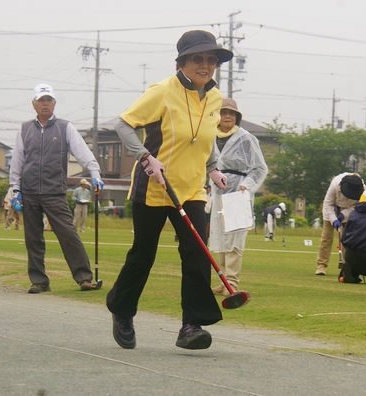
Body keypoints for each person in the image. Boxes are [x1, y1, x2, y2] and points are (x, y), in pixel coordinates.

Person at [106, 30, 233, 350]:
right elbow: (123, 124)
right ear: (182, 62)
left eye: (211, 59)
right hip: (153, 186)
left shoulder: (215, 98)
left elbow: (206, 139)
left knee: (196, 253)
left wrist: (214, 167)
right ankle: (121, 310)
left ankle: (191, 325)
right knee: (143, 256)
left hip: (191, 189)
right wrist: (145, 157)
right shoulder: (162, 91)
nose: (205, 65)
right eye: (198, 58)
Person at [9, 83, 104, 294]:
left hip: (54, 192)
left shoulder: (64, 127)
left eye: (49, 100)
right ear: (34, 104)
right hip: (30, 191)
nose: (45, 104)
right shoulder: (25, 129)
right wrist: (15, 189)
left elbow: (83, 154)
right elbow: (17, 161)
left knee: (68, 234)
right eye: (41, 100)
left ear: (54, 103)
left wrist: (95, 174)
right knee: (33, 239)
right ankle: (39, 280)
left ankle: (84, 277)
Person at [209, 98, 268, 296]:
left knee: (234, 238)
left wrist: (248, 185)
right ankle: (223, 280)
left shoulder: (246, 138)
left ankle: (232, 282)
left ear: (236, 117)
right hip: (218, 191)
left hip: (239, 191)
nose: (227, 116)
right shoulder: (211, 137)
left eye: (231, 113)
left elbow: (260, 167)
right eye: (224, 112)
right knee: (220, 237)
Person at [315, 173, 365, 275]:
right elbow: (328, 204)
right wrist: (334, 219)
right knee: (326, 238)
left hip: (349, 212)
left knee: (348, 239)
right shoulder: (335, 184)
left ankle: (348, 265)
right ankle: (321, 265)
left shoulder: (362, 188)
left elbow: (358, 205)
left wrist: (343, 214)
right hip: (331, 209)